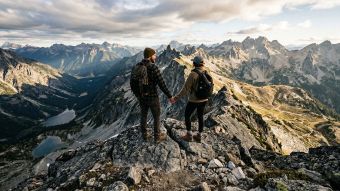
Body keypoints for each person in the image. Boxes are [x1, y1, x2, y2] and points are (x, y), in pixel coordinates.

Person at [132, 47, 175, 143]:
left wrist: (138, 95)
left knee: (143, 115)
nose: (155, 57)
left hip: (141, 96)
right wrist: (170, 96)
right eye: (154, 55)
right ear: (150, 56)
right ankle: (157, 138)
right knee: (156, 117)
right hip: (152, 97)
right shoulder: (153, 67)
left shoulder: (138, 66)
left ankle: (144, 136)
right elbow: (162, 84)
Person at [173, 56, 213, 142]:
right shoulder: (206, 71)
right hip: (204, 99)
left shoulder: (193, 74)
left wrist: (176, 98)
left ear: (194, 64)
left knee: (187, 115)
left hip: (194, 99)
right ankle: (199, 135)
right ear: (202, 64)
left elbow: (185, 89)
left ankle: (189, 135)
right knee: (200, 116)